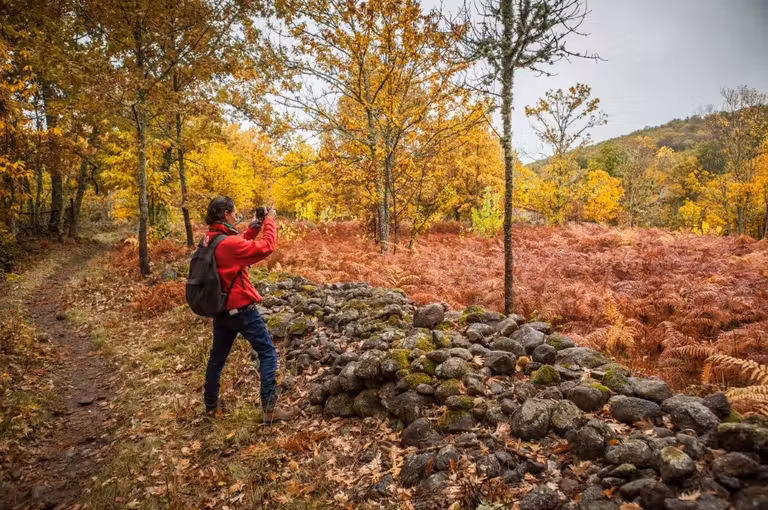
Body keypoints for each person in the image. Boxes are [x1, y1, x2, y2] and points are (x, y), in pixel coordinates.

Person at [201, 196, 298, 422]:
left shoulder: (211, 239)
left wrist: (255, 225)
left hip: (221, 310)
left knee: (217, 359)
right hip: (241, 309)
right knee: (267, 353)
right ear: (226, 214)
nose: (236, 215)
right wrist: (270, 222)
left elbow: (237, 245)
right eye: (234, 212)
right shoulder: (228, 243)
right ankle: (270, 408)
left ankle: (210, 406)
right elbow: (266, 247)